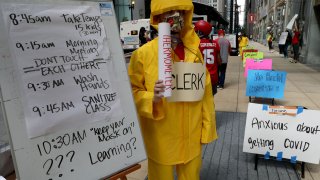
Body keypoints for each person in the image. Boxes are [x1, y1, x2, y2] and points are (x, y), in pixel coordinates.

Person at [128, 0, 218, 179]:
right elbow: (132, 92)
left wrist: (207, 128)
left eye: (180, 11)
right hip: (162, 140)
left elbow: (205, 92)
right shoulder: (143, 54)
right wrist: (151, 97)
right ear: (159, 17)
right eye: (169, 11)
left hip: (191, 138)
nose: (175, 16)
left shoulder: (195, 52)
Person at [194, 20, 221, 95]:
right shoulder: (215, 43)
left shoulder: (196, 44)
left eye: (196, 31)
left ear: (200, 32)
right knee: (210, 100)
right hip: (213, 78)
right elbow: (219, 62)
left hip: (199, 78)